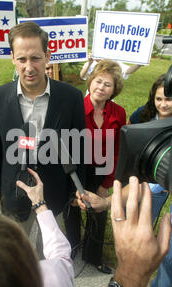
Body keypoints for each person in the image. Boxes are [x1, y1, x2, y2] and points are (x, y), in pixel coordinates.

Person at [0, 22, 85, 249]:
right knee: (11, 258)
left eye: (35, 58)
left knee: (47, 258)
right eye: (22, 59)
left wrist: (77, 189)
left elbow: (78, 147)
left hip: (54, 195)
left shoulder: (71, 97)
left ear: (48, 56)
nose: (29, 67)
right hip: (14, 195)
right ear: (12, 58)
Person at [65, 60, 126, 274]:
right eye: (98, 81)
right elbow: (64, 145)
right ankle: (71, 248)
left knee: (98, 213)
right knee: (71, 210)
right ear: (90, 82)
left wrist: (107, 183)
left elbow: (117, 150)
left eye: (107, 84)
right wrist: (70, 184)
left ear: (114, 90)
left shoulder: (119, 113)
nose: (101, 87)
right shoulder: (75, 108)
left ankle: (93, 257)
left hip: (101, 171)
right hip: (74, 170)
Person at [128, 74, 172, 221]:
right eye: (159, 99)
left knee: (146, 219)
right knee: (127, 213)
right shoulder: (142, 114)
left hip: (158, 183)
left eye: (169, 99)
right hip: (134, 174)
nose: (163, 104)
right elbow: (128, 134)